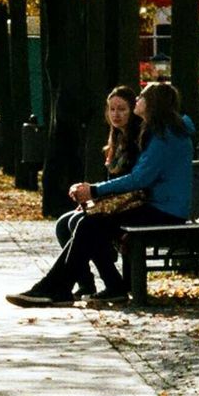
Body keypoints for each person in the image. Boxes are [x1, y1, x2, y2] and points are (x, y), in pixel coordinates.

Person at [7, 82, 194, 307]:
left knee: (89, 224)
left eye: (142, 97)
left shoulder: (165, 136)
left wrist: (94, 191)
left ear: (153, 104)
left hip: (164, 211)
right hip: (160, 206)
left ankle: (57, 287)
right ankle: (64, 287)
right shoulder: (163, 132)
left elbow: (139, 178)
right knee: (89, 223)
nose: (138, 100)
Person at [54, 85, 141, 299]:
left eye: (122, 109)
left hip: (132, 204)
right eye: (112, 109)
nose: (116, 114)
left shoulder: (138, 140)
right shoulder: (116, 140)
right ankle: (85, 283)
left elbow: (130, 183)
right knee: (64, 223)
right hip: (115, 202)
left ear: (133, 110)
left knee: (82, 223)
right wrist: (91, 199)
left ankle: (114, 284)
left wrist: (95, 196)